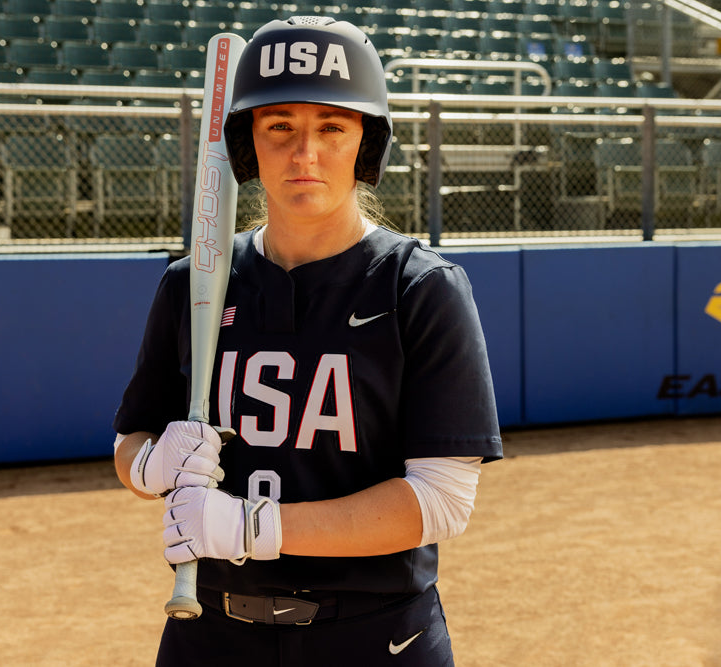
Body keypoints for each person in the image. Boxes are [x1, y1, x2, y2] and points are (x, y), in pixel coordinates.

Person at [112, 16, 502, 666]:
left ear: (365, 143)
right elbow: (130, 441)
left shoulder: (420, 288)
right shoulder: (192, 284)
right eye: (280, 127)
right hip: (208, 633)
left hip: (378, 636)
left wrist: (251, 526)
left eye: (331, 127)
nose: (305, 153)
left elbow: (440, 499)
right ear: (247, 145)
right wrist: (153, 464)